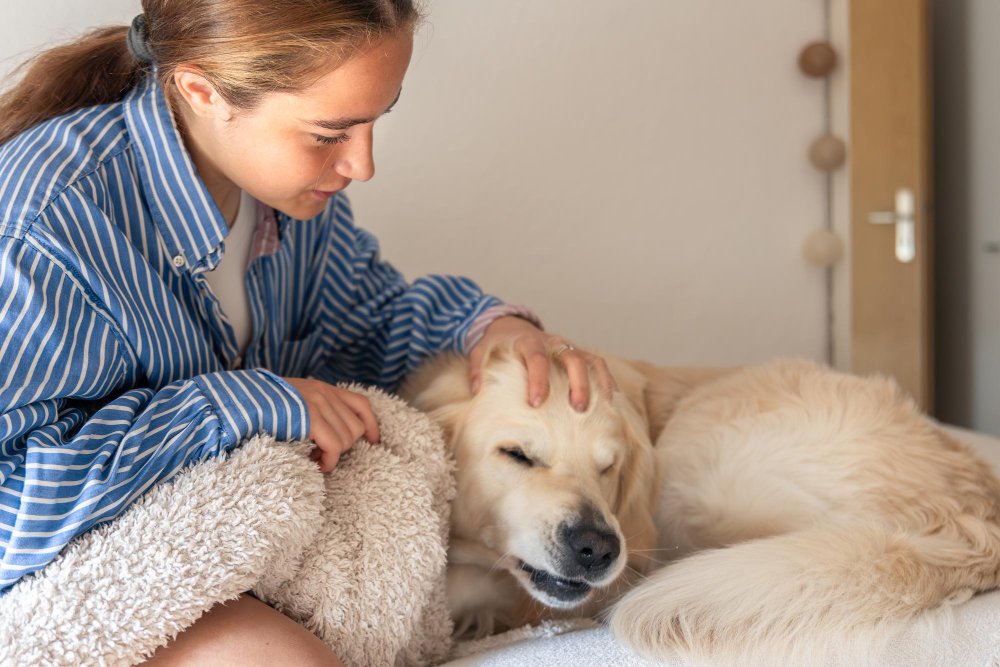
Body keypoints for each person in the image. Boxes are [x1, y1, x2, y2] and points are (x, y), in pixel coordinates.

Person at [0, 1, 617, 664]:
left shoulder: (294, 204)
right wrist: (235, 401)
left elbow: (368, 320)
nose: (363, 164)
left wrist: (489, 329)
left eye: (377, 120)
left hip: (228, 545)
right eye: (330, 134)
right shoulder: (45, 228)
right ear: (202, 90)